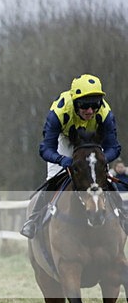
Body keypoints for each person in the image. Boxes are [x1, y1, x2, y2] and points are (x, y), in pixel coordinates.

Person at [20, 74, 123, 238]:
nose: (90, 111)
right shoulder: (58, 112)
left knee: (104, 177)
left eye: (95, 105)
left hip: (93, 143)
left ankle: (123, 215)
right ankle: (34, 220)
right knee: (53, 178)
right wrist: (62, 160)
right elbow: (46, 149)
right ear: (75, 102)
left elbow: (114, 148)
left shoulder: (105, 114)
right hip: (66, 140)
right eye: (84, 105)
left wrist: (100, 161)